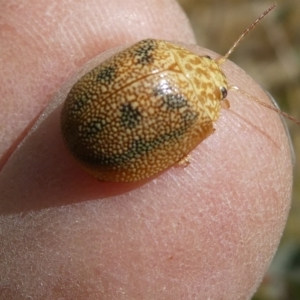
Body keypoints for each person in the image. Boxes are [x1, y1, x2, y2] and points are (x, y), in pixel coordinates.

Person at [0, 0, 293, 299]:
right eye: (222, 93)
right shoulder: (199, 117)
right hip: (97, 146)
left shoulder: (162, 52)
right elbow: (170, 148)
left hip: (79, 112)